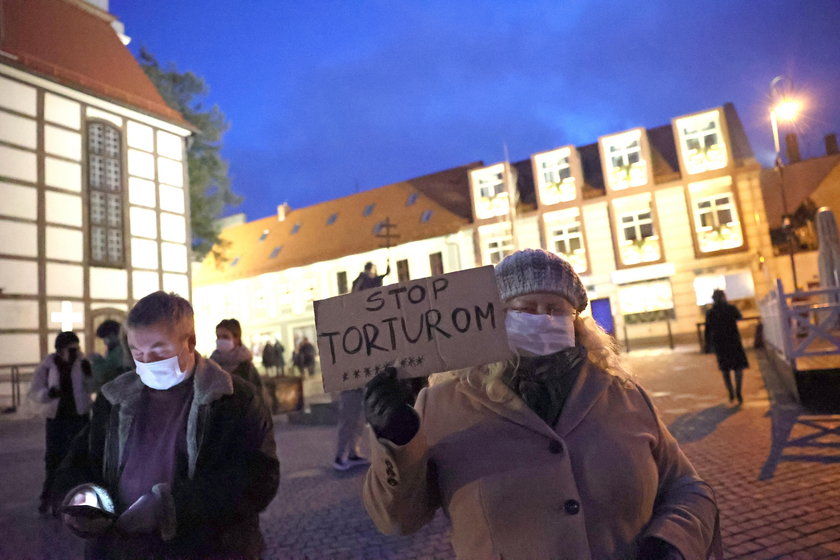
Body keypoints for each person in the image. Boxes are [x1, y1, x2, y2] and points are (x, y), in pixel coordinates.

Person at [362, 249, 719, 559]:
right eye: (526, 308)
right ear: (496, 319)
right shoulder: (441, 404)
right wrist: (397, 438)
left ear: (576, 321)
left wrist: (671, 544)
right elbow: (396, 519)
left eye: (555, 308)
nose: (543, 317)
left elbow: (688, 487)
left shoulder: (623, 394)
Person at [53, 291, 279, 559]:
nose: (147, 363)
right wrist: (80, 496)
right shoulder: (114, 399)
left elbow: (258, 479)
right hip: (121, 550)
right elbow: (78, 462)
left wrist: (170, 507)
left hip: (205, 549)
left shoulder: (233, 399)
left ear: (190, 342)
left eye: (159, 351)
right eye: (138, 352)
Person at [332, 262, 390, 471]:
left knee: (358, 420)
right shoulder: (347, 316)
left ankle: (354, 452)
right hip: (350, 378)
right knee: (348, 418)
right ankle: (339, 457)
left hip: (364, 377)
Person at [28, 331, 94, 516]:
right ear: (59, 350)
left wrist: (90, 373)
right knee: (54, 458)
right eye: (70, 349)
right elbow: (35, 388)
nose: (74, 352)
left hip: (79, 416)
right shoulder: (49, 364)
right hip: (57, 418)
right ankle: (49, 498)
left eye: (76, 348)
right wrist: (48, 394)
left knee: (80, 457)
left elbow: (91, 387)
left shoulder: (83, 363)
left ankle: (79, 500)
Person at [705, 289, 748, 404]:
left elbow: (707, 330)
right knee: (738, 368)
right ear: (724, 297)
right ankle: (738, 391)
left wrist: (708, 345)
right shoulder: (731, 308)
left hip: (720, 344)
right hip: (733, 341)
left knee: (725, 370)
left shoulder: (710, 313)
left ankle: (731, 392)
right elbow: (739, 316)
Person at [210, 318, 263, 391]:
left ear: (237, 339)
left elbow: (257, 395)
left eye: (225, 337)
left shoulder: (246, 366)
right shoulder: (211, 365)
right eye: (218, 337)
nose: (220, 340)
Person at [90, 320, 132, 393]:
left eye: (105, 338)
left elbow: (103, 374)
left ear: (112, 335)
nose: (105, 342)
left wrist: (97, 361)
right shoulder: (117, 349)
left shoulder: (119, 351)